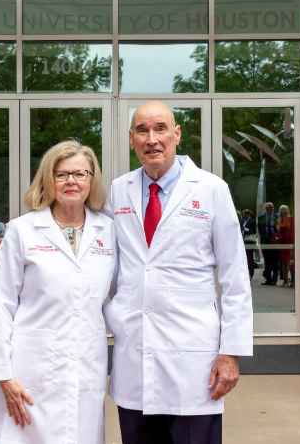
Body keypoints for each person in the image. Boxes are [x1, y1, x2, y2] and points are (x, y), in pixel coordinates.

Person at [105, 101, 253, 444]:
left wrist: (230, 352)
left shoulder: (211, 189)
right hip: (134, 351)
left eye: (160, 129)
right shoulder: (118, 190)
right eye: (142, 130)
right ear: (131, 139)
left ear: (177, 134)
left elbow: (235, 277)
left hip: (193, 356)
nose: (152, 139)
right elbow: (109, 265)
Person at [0, 140, 114, 444]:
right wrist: (4, 374)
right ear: (49, 180)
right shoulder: (21, 231)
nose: (71, 181)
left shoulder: (109, 231)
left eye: (80, 174)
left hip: (87, 360)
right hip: (31, 365)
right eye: (61, 174)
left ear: (92, 180)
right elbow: (2, 306)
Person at [257, 202, 280, 285]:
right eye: (270, 207)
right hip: (265, 240)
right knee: (267, 260)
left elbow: (279, 228)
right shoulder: (261, 217)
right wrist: (264, 235)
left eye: (273, 207)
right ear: (266, 208)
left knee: (275, 260)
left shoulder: (277, 216)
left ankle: (274, 279)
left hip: (274, 241)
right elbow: (260, 228)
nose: (272, 208)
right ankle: (268, 279)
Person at [276, 205, 294, 288]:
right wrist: (279, 224)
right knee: (283, 261)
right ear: (280, 212)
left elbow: (290, 227)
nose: (285, 211)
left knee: (290, 261)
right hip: (283, 241)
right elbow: (278, 231)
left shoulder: (291, 218)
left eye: (286, 209)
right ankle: (285, 280)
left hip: (291, 240)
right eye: (283, 210)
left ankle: (292, 280)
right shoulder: (279, 220)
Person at [241, 209, 257, 279]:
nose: (245, 216)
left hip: (250, 241)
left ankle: (251, 273)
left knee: (249, 258)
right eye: (244, 215)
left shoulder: (252, 221)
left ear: (249, 214)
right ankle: (246, 273)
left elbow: (253, 231)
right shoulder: (244, 221)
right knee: (245, 258)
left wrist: (245, 229)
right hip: (244, 241)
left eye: (246, 215)